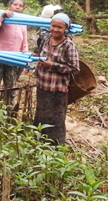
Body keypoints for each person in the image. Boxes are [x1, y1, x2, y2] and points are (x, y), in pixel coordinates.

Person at [33, 13, 80, 144]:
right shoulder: (45, 39)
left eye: (60, 27)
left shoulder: (68, 45)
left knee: (55, 118)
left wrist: (52, 65)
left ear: (66, 28)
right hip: (42, 84)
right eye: (53, 26)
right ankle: (38, 140)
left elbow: (75, 68)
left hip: (57, 89)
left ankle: (55, 145)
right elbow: (38, 52)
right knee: (41, 113)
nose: (55, 29)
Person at [0, 0, 29, 105]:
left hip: (13, 60)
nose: (17, 7)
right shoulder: (2, 18)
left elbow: (24, 44)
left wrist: (26, 61)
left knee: (11, 87)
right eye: (15, 4)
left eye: (20, 6)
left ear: (23, 9)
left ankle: (8, 110)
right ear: (9, 6)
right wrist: (1, 17)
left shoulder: (23, 23)